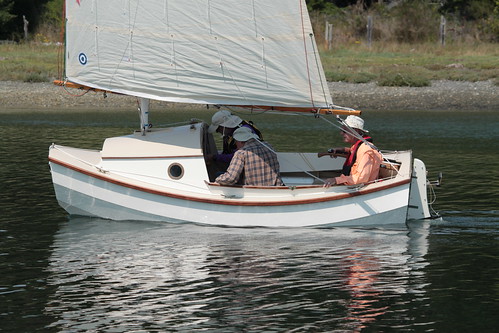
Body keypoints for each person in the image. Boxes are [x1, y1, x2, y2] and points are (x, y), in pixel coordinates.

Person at [319, 115, 382, 187]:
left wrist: (336, 180)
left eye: (344, 131)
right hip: (352, 184)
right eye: (341, 130)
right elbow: (354, 153)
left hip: (362, 188)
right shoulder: (358, 146)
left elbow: (361, 178)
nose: (341, 133)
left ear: (355, 131)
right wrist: (343, 150)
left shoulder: (365, 150)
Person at [215, 127, 283, 186]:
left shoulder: (241, 153)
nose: (236, 146)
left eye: (235, 142)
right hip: (274, 187)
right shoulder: (268, 146)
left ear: (240, 141)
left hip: (253, 190)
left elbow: (230, 179)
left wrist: (217, 180)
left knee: (218, 174)